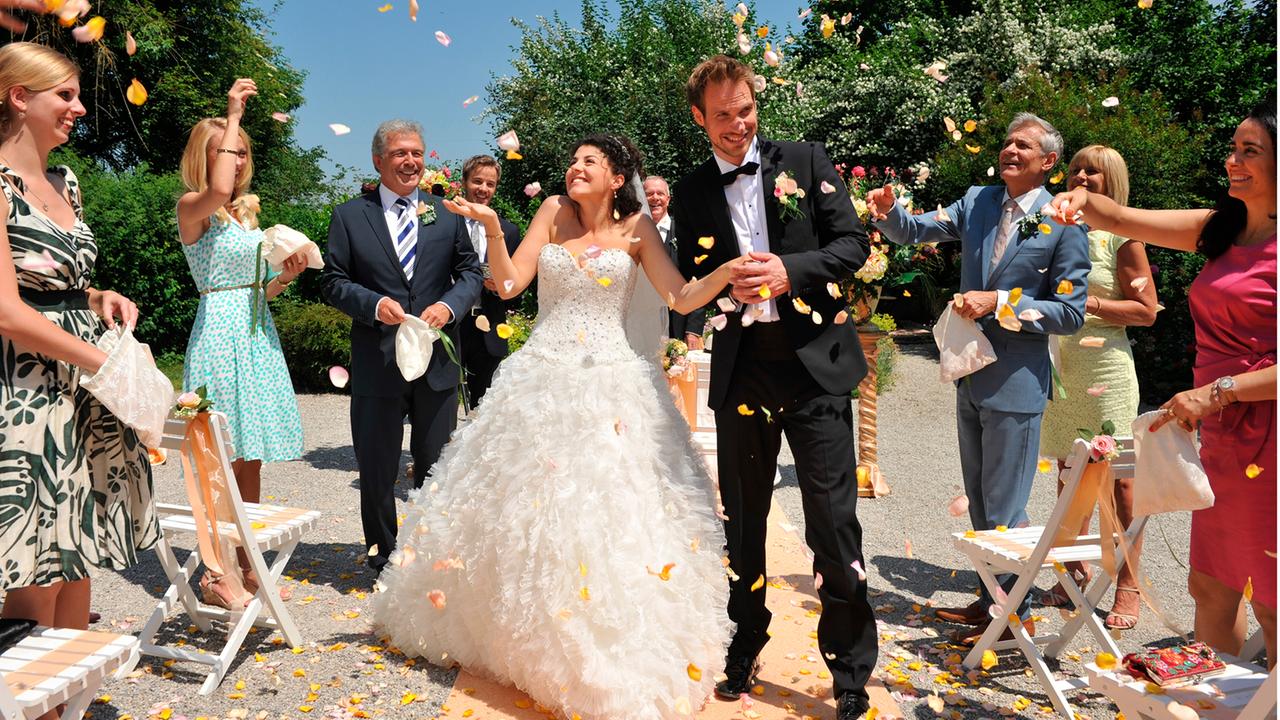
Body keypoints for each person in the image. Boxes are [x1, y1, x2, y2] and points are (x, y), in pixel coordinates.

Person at [372, 133, 740, 719]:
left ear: (618, 178)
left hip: (612, 382)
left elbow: (680, 295)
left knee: (608, 511)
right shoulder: (551, 212)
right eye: (572, 161)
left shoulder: (637, 231)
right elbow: (511, 284)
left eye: (589, 162)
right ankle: (515, 630)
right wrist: (493, 227)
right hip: (540, 375)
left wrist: (727, 271)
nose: (575, 169)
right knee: (525, 507)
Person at [668, 55, 876, 717]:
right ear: (700, 117)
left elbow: (852, 245)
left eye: (746, 110)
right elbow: (686, 283)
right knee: (744, 524)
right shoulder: (691, 189)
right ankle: (741, 646)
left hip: (815, 368)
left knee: (834, 526)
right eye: (723, 115)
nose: (738, 125)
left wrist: (790, 271)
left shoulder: (807, 160)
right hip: (742, 371)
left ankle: (848, 673)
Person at [1047, 105, 1276, 666]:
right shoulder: (1220, 228)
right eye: (1234, 147)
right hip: (1222, 436)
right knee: (1211, 585)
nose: (1233, 159)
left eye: (1251, 150)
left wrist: (1217, 392)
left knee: (1272, 599)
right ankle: (1217, 697)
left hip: (1267, 436)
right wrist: (1078, 199)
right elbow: (1120, 217)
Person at [867, 112, 1091, 646]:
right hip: (970, 370)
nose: (1010, 149)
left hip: (1017, 378)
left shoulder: (1062, 222)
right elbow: (916, 229)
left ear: (1049, 163)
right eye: (1007, 140)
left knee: (1005, 502)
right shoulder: (979, 200)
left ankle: (1015, 615)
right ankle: (994, 602)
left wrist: (1004, 302)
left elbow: (1071, 312)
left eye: (1024, 145)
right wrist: (889, 212)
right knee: (981, 498)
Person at [0, 41, 158, 658]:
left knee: (79, 547)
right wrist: (109, 365)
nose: (80, 107)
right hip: (30, 391)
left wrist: (99, 297)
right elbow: (9, 310)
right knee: (38, 559)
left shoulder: (66, 181)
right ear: (19, 96)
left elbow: (56, 282)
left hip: (89, 390)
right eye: (65, 95)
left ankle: (70, 698)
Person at [321, 120, 482, 575]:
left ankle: (429, 560)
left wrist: (449, 308)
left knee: (436, 465)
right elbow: (333, 282)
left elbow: (470, 274)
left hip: (436, 362)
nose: (410, 162)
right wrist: (373, 304)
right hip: (378, 360)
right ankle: (384, 561)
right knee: (377, 469)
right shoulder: (350, 216)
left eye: (416, 153)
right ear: (378, 160)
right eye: (399, 154)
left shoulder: (445, 213)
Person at [176, 79, 309, 608]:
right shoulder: (195, 206)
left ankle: (246, 558)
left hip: (255, 332)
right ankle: (214, 568)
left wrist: (286, 277)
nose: (238, 159)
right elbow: (217, 189)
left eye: (242, 151)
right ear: (205, 159)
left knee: (249, 457)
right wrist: (232, 111)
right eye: (227, 151)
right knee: (216, 458)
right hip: (218, 336)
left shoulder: (244, 215)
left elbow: (259, 289)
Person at [1037, 145, 1157, 630]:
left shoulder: (1122, 240)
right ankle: (1072, 572)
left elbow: (1147, 312)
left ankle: (1127, 583)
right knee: (1070, 477)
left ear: (1113, 185)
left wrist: (1088, 307)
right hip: (1063, 369)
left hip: (1106, 370)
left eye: (1095, 172)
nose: (1082, 176)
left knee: (1122, 483)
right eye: (1076, 169)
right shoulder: (1052, 230)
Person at [456, 154, 521, 409]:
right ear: (465, 182)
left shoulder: (509, 231)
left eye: (490, 184)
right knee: (442, 400)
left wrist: (503, 286)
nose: (483, 189)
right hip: (451, 322)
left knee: (484, 406)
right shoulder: (446, 222)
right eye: (477, 181)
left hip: (490, 324)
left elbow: (517, 290)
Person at [644, 174, 705, 347]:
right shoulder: (632, 234)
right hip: (642, 322)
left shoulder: (685, 233)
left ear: (668, 199)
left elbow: (697, 280)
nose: (655, 198)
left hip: (677, 323)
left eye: (660, 193)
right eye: (649, 193)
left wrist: (693, 329)